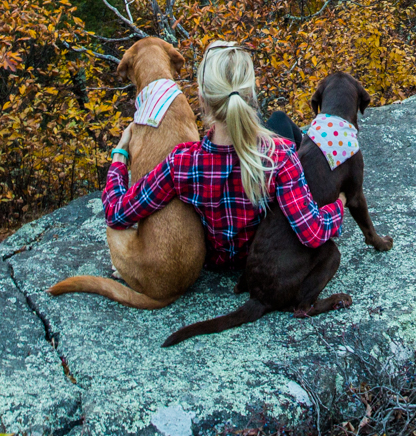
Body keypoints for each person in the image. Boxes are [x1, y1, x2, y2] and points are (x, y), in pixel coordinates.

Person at [103, 41, 342, 271]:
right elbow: (313, 233)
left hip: (214, 262)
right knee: (280, 120)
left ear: (201, 99)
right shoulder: (280, 157)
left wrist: (120, 158)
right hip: (259, 260)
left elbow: (117, 213)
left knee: (278, 121)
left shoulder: (182, 163)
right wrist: (340, 205)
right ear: (251, 96)